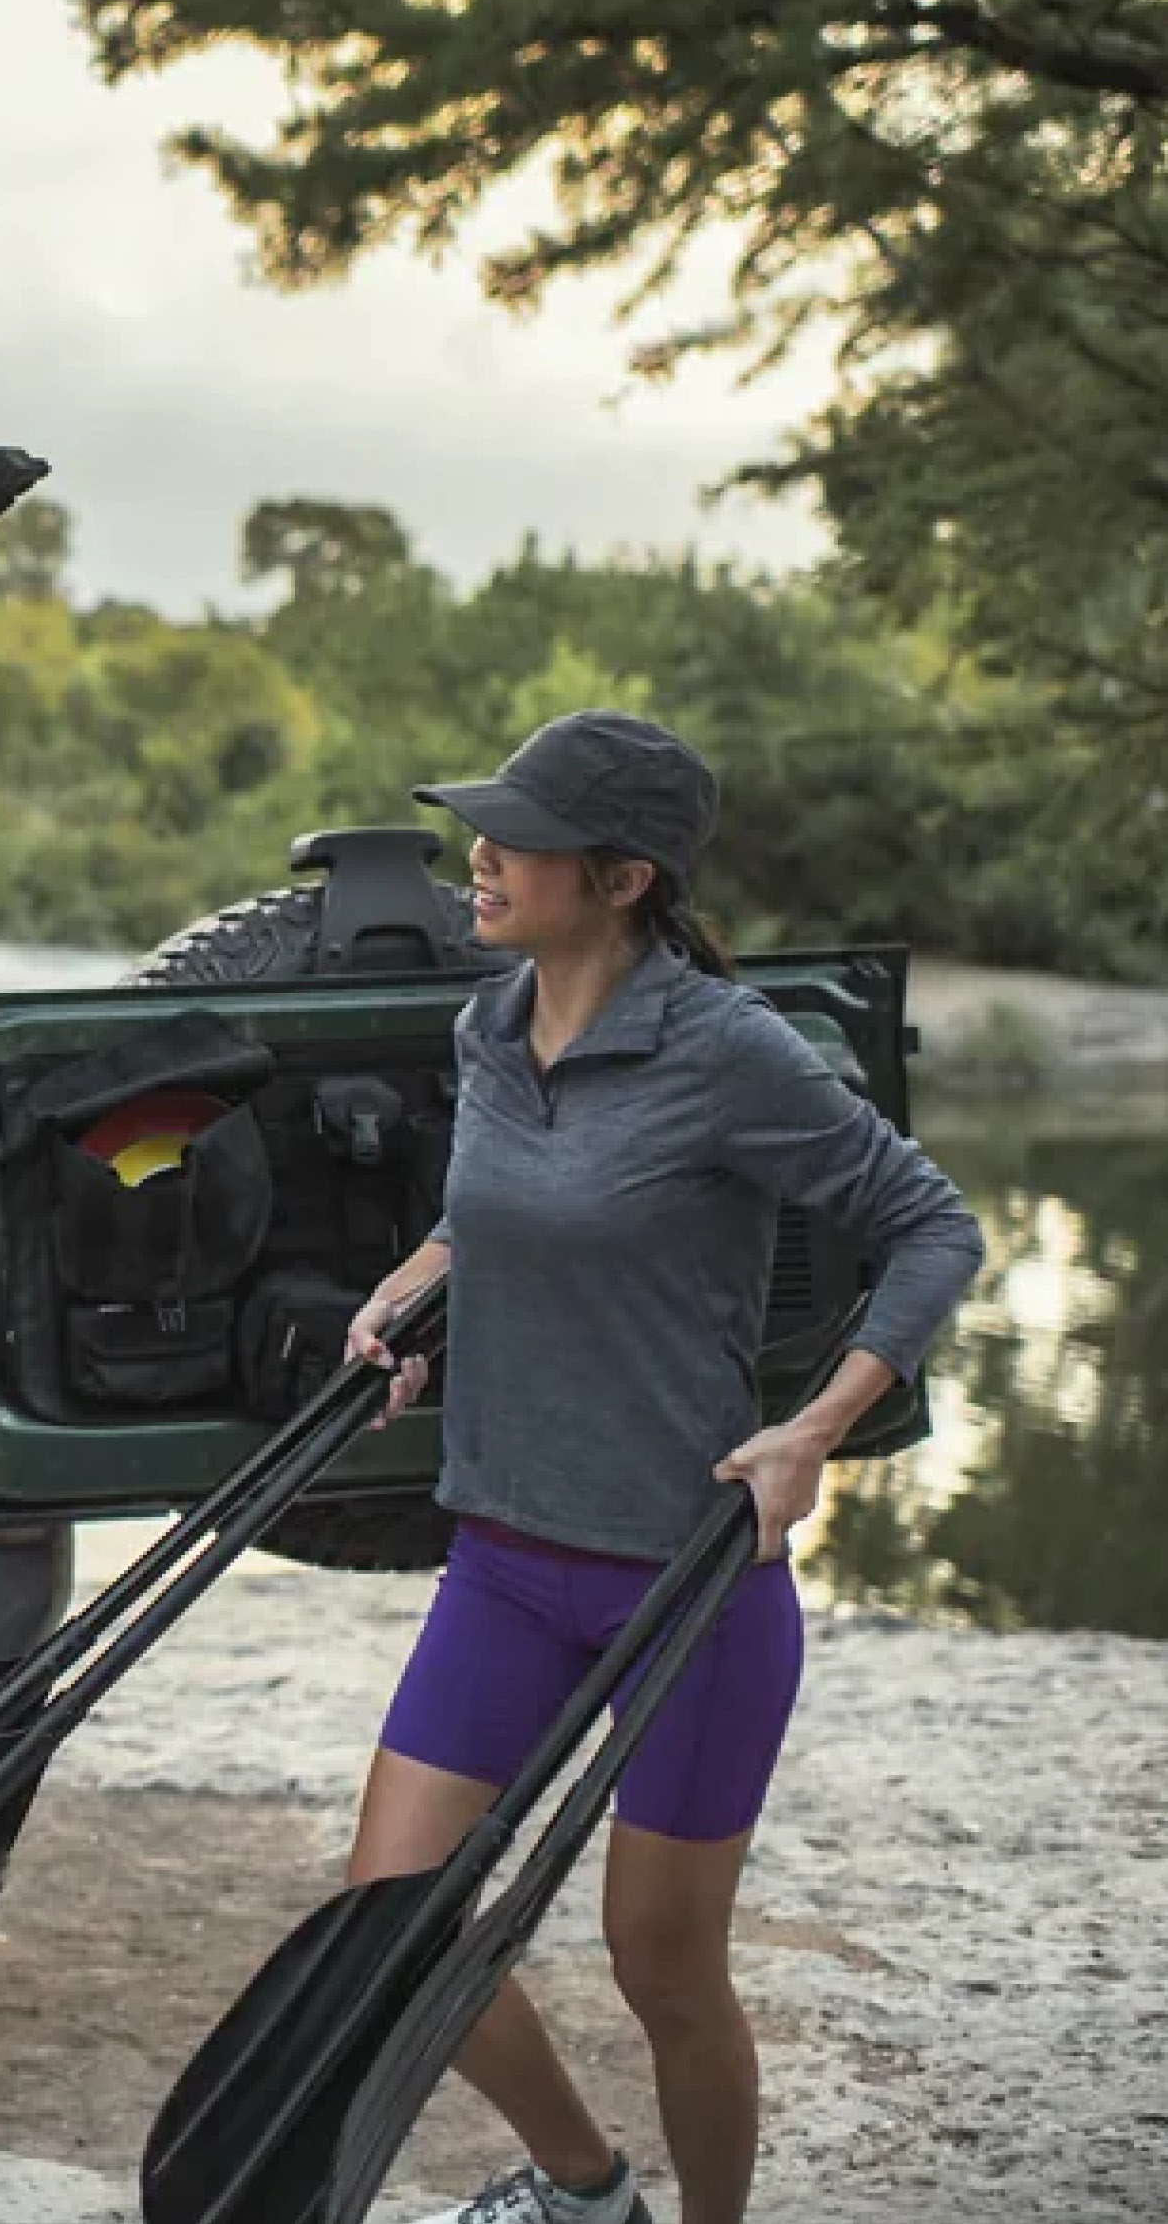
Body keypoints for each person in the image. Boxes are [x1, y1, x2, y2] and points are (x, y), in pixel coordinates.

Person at [341, 709, 983, 2224]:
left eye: (519, 834)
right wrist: (410, 1295)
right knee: (389, 1915)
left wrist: (812, 1430)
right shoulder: (485, 1026)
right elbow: (484, 1220)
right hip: (503, 1554)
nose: (479, 852)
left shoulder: (722, 1048)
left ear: (622, 876)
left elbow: (933, 1227)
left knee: (662, 1968)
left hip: (685, 1577)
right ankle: (584, 2193)